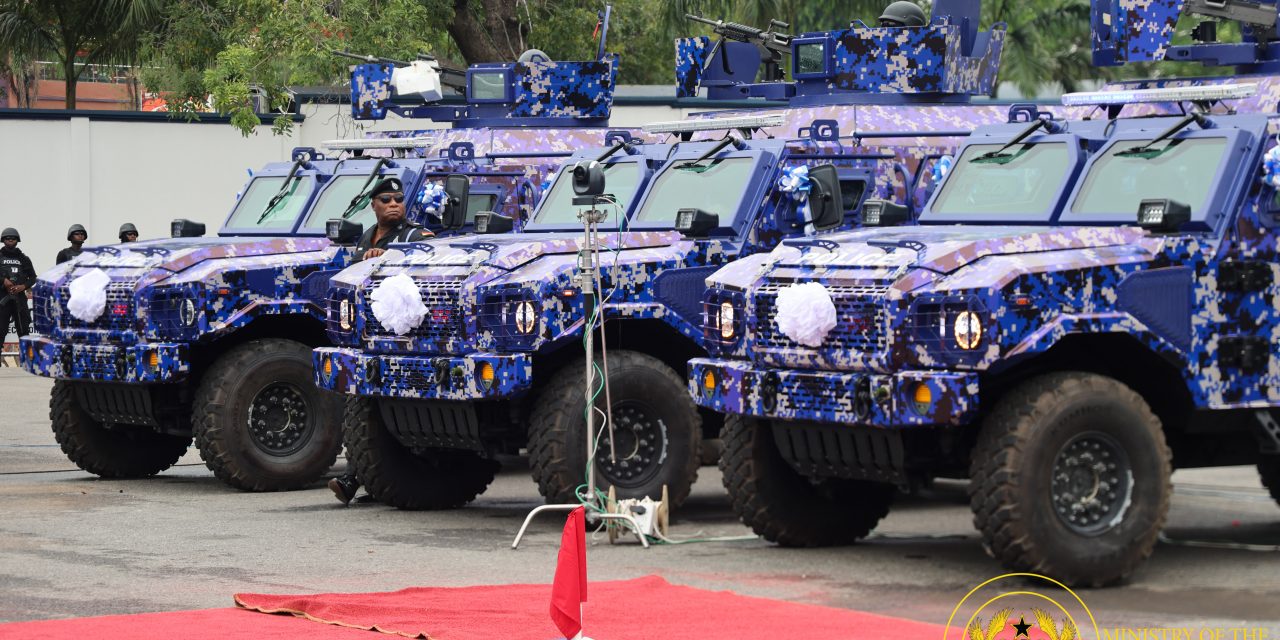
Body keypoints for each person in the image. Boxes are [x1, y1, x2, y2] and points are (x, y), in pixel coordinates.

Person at [328, 177, 434, 505]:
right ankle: (366, 478)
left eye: (398, 199)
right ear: (373, 205)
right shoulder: (365, 238)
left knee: (381, 410)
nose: (393, 204)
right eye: (385, 199)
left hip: (404, 339)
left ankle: (355, 478)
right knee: (364, 411)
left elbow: (430, 266)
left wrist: (385, 259)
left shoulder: (416, 235)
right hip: (367, 336)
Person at [0, 228, 36, 344]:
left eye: (13, 238)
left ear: (17, 240)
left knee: (24, 333)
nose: (10, 240)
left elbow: (33, 277)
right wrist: (3, 281)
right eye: (7, 238)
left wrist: (23, 286)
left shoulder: (24, 258)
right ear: (3, 240)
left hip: (19, 300)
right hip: (2, 300)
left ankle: (27, 362)